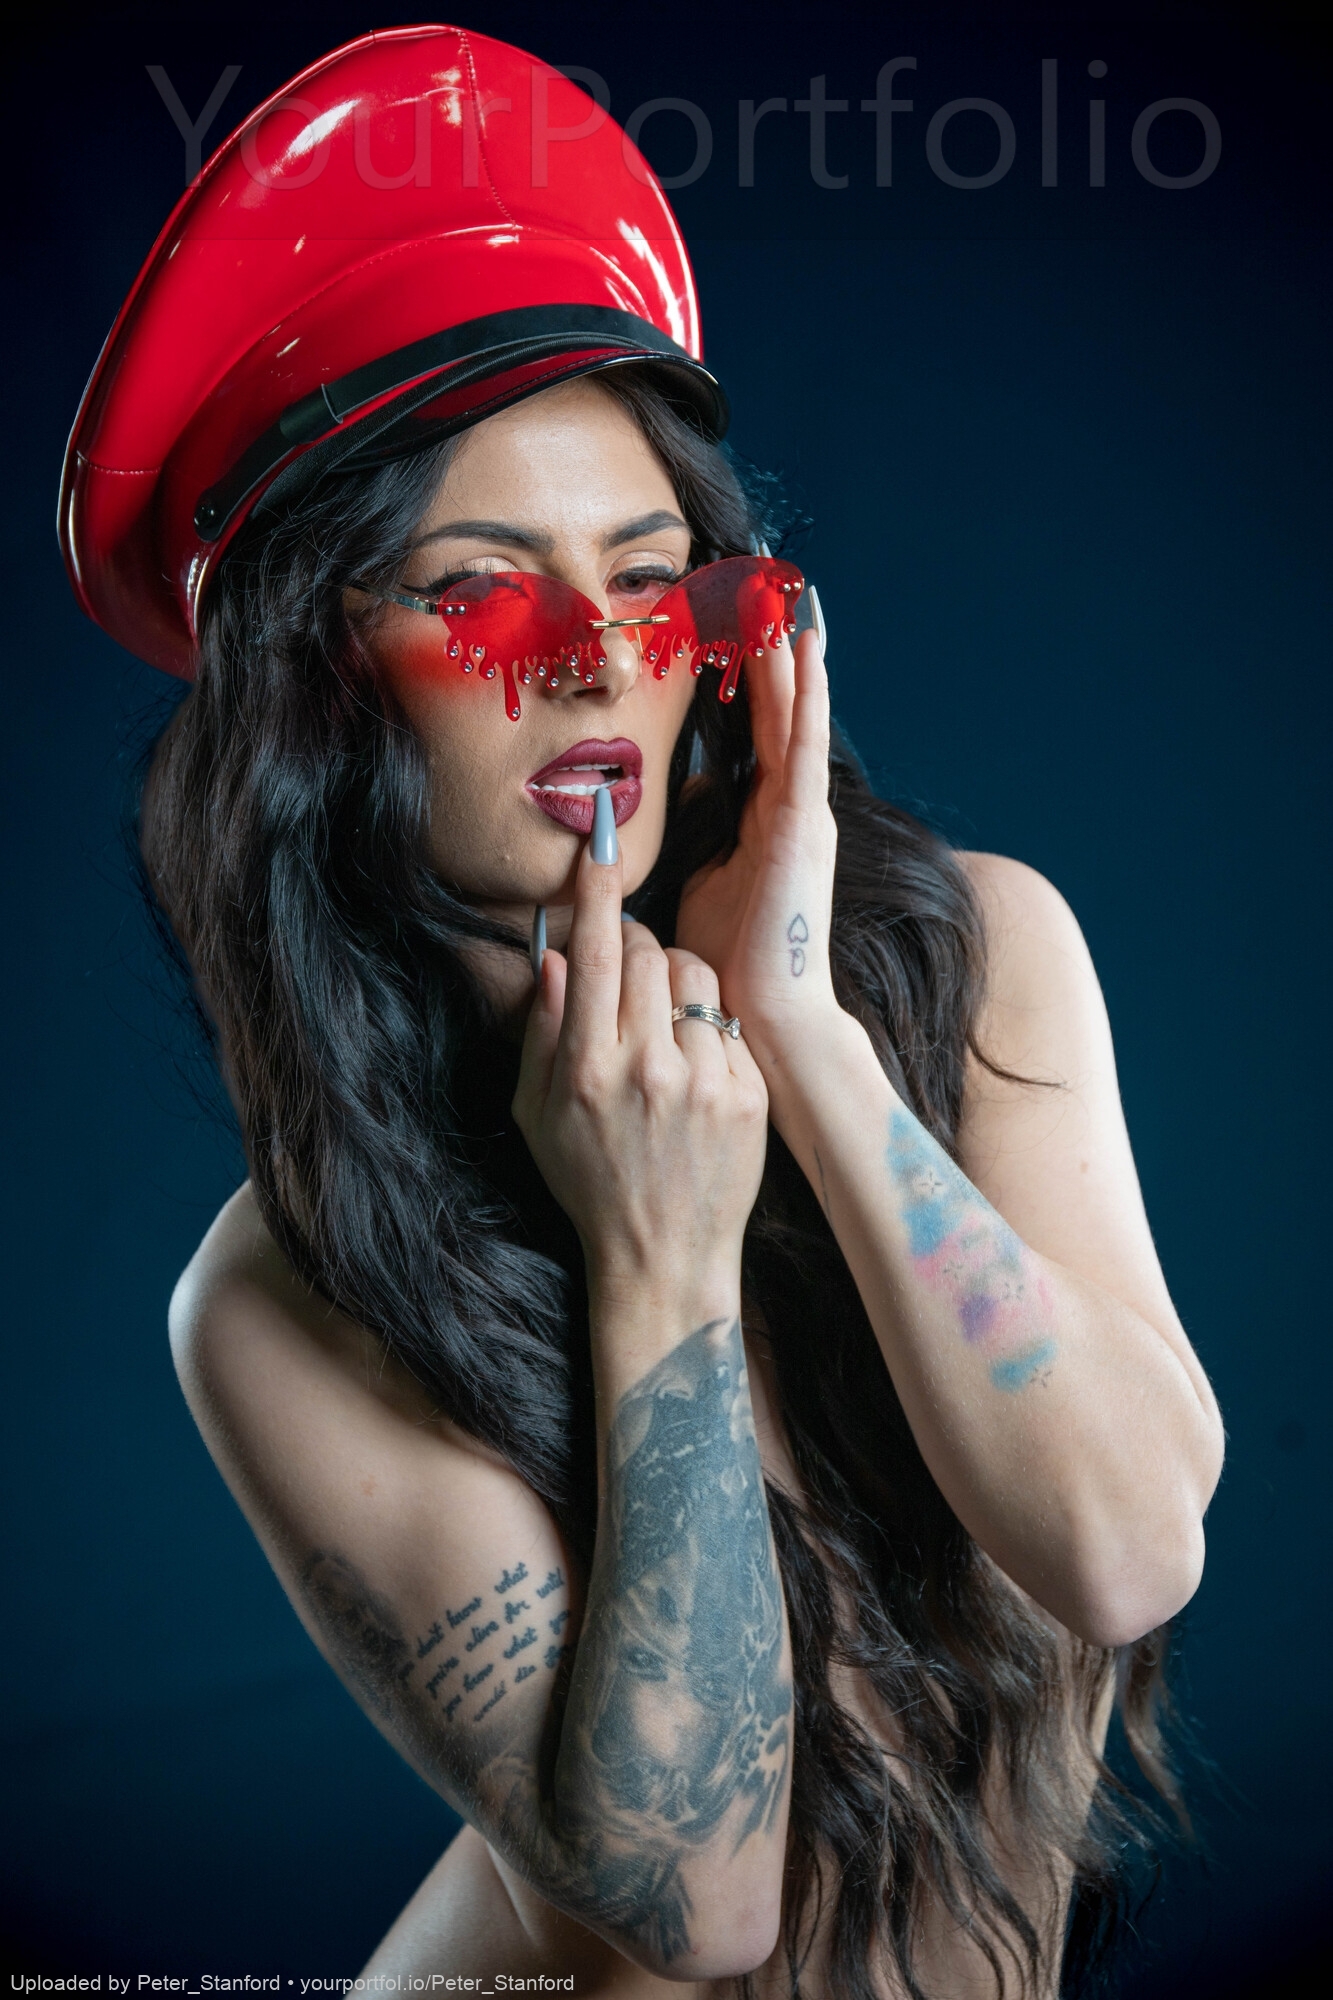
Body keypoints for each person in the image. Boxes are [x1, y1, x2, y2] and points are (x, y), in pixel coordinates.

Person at [61, 26, 1224, 1997]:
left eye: (650, 577)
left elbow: (1122, 1552)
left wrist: (807, 1041)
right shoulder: (276, 1293)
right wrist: (657, 1259)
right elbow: (703, 1897)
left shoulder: (978, 959)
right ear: (317, 683)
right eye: (481, 589)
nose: (594, 661)